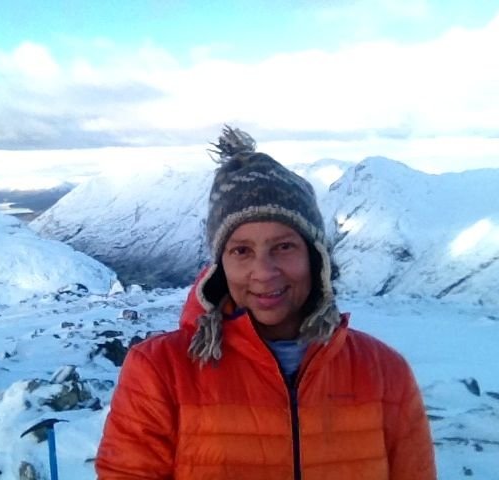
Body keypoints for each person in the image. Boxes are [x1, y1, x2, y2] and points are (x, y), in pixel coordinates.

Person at [95, 126, 436, 479]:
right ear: (220, 266)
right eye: (241, 250)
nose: (264, 272)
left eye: (284, 246)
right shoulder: (159, 373)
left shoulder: (384, 373)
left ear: (316, 257)